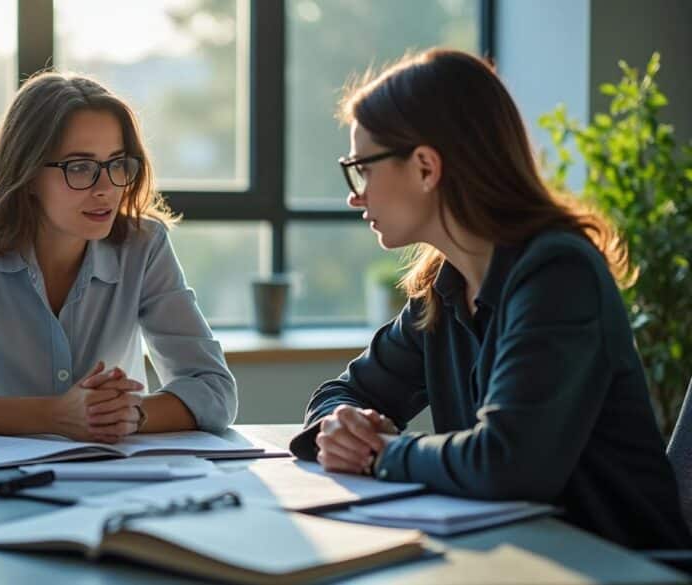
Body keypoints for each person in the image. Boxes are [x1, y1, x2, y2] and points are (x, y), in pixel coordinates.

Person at [289, 48, 691, 549]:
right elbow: (342, 392)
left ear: (425, 167)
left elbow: (507, 463)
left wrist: (378, 454)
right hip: (517, 553)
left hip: (616, 564)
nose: (355, 195)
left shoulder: (558, 274)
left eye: (362, 169)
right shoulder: (445, 284)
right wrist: (340, 428)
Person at [0, 71, 237, 443]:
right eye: (80, 167)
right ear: (29, 172)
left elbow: (214, 389)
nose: (106, 188)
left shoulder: (144, 244)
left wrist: (130, 414)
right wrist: (55, 415)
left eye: (117, 164)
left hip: (114, 482)